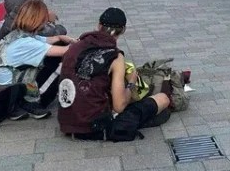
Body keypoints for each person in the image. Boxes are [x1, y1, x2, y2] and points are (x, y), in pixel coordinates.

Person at [57, 8, 175, 140]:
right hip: (96, 127)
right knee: (163, 99)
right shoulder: (115, 57)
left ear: (99, 25)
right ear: (123, 30)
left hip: (67, 122)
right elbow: (119, 107)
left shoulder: (74, 47)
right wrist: (131, 82)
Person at [0, 0, 75, 120]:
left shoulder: (18, 34)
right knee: (62, 60)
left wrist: (61, 37)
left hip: (7, 88)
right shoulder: (27, 44)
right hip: (13, 92)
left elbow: (49, 40)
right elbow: (66, 51)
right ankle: (33, 101)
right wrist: (87, 41)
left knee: (55, 50)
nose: (47, 21)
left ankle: (26, 100)